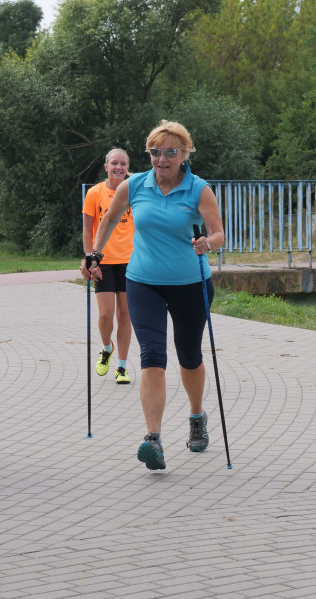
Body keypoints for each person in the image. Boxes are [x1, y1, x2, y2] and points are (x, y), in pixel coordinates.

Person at [87, 120, 225, 470]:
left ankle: (196, 416)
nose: (162, 159)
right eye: (155, 152)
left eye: (170, 153)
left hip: (191, 283)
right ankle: (154, 438)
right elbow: (107, 219)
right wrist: (95, 253)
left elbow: (219, 232)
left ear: (184, 154)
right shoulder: (135, 186)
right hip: (143, 281)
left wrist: (207, 243)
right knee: (151, 353)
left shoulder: (198, 189)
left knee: (189, 355)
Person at [80, 148, 135, 385]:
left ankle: (121, 367)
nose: (119, 167)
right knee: (105, 315)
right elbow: (87, 230)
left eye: (123, 164)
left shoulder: (135, 191)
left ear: (127, 167)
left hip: (130, 262)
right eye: (114, 163)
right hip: (103, 261)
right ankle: (106, 347)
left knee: (125, 315)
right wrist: (90, 259)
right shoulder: (94, 193)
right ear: (106, 167)